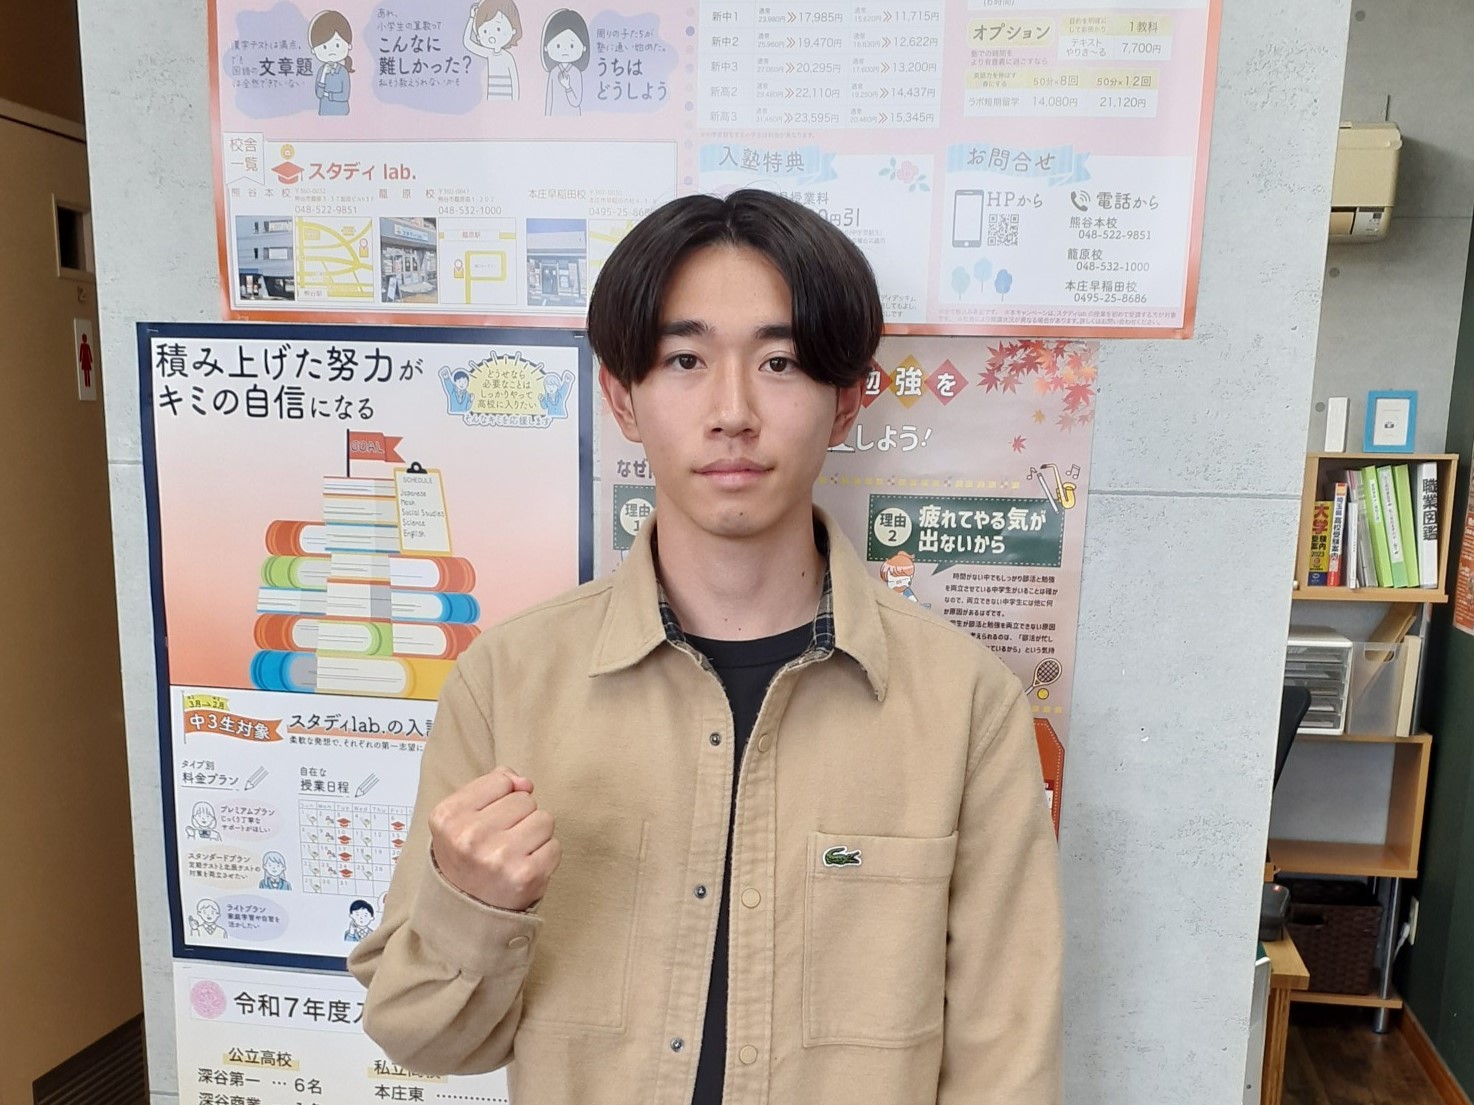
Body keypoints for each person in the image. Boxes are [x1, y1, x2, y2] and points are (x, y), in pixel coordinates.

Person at [349, 189, 1062, 1104]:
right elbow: (422, 1036)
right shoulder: (509, 680)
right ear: (622, 396)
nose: (732, 411)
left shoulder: (965, 703)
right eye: (684, 359)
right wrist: (475, 901)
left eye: (780, 362)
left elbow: (1008, 1062)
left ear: (848, 400)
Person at [464, 0, 522, 101]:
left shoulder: (508, 57)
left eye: (498, 29)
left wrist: (515, 100)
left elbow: (514, 80)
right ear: (478, 35)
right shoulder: (489, 54)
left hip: (508, 99)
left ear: (513, 30)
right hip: (492, 98)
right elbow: (467, 43)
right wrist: (472, 18)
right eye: (485, 31)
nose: (491, 36)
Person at [540, 9, 588, 116]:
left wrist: (567, 87)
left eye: (571, 45)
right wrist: (546, 117)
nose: (565, 50)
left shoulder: (576, 73)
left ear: (583, 48)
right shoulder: (554, 72)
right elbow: (549, 99)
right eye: (558, 46)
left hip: (573, 118)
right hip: (554, 117)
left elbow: (576, 102)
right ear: (546, 47)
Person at [309, 11, 354, 117]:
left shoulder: (343, 72)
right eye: (324, 47)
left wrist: (328, 95)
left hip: (342, 113)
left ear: (348, 46)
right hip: (324, 111)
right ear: (314, 50)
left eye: (337, 45)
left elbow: (344, 96)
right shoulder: (322, 70)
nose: (331, 51)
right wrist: (324, 75)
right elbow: (319, 94)